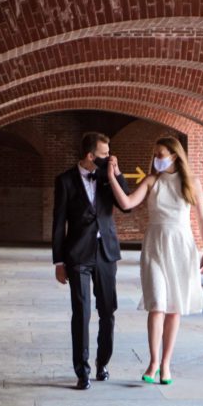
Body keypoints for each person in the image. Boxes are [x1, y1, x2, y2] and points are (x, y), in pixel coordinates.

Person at [106, 136, 203, 385]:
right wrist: (112, 177)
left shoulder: (191, 182)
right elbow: (127, 202)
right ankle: (153, 361)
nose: (157, 159)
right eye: (155, 155)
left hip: (182, 245)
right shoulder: (152, 180)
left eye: (161, 155)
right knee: (157, 305)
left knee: (174, 307)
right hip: (155, 245)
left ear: (174, 155)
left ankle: (166, 364)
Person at [52, 132, 131, 390]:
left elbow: (127, 205)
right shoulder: (64, 181)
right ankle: (82, 371)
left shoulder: (108, 178)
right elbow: (58, 223)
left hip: (106, 252)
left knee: (107, 311)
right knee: (81, 312)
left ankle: (103, 363)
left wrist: (115, 174)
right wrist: (59, 261)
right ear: (90, 156)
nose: (109, 157)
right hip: (77, 255)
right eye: (104, 154)